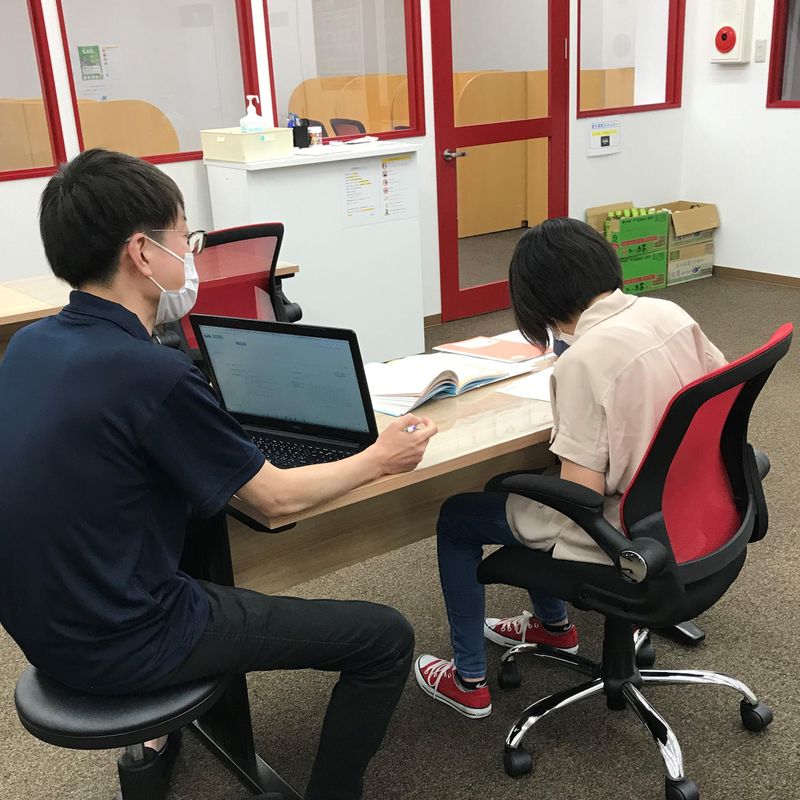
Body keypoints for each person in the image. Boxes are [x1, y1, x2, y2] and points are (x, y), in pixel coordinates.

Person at [0, 148, 437, 800]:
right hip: (127, 637)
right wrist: (381, 458)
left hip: (43, 628)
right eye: (186, 238)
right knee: (385, 638)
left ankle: (158, 741)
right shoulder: (153, 372)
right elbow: (272, 502)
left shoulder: (31, 344)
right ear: (142, 252)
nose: (191, 254)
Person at [414, 217, 726, 718]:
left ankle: (467, 678)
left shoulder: (583, 361)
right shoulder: (669, 312)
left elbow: (580, 495)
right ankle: (552, 627)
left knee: (458, 516)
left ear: (537, 300)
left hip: (623, 532)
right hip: (690, 508)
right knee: (524, 487)